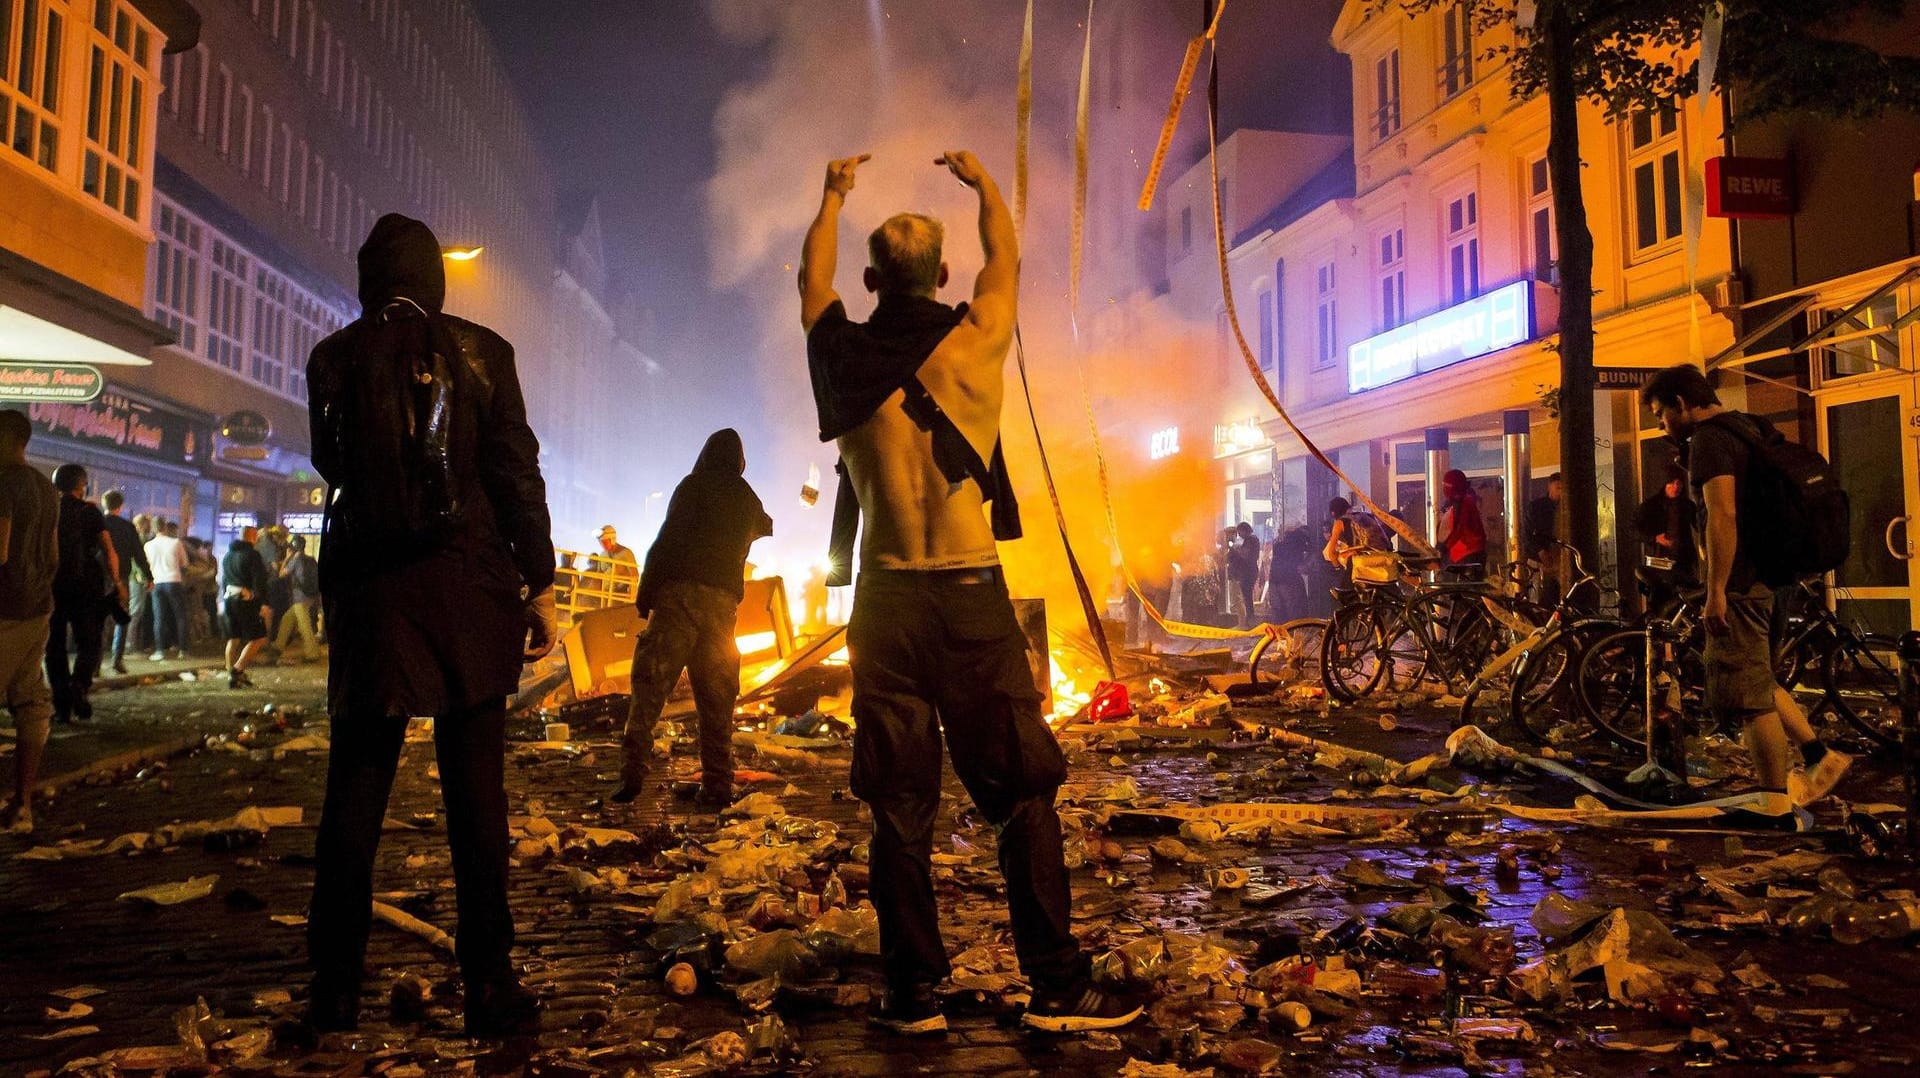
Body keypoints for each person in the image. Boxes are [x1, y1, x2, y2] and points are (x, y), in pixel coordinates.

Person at [801, 150, 1138, 1034]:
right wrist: (986, 187)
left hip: (886, 600)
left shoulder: (839, 352)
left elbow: (809, 281)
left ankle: (914, 994)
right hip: (971, 595)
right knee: (1023, 794)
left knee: (899, 806)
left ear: (871, 279)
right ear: (942, 274)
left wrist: (830, 197)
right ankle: (1056, 985)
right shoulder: (978, 338)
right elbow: (1008, 260)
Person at [305, 213, 557, 1038]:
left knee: (354, 800)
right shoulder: (483, 353)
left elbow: (334, 466)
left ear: (369, 277)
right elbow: (515, 469)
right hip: (467, 596)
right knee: (477, 804)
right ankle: (489, 984)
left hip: (374, 605)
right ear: (433, 281)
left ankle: (334, 991)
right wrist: (541, 580)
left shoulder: (332, 359)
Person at [1640, 364, 1850, 827]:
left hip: (1742, 585)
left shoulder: (1712, 441)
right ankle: (1818, 755)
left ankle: (1773, 804)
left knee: (1749, 699)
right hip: (1774, 579)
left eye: (1660, 414)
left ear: (1680, 403)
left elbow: (1723, 515)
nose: (1661, 426)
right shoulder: (1751, 426)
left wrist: (1716, 589)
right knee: (1759, 678)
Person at [613, 429, 772, 807]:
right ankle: (717, 785)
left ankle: (632, 771)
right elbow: (765, 525)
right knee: (717, 701)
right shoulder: (747, 497)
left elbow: (666, 541)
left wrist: (645, 595)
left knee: (650, 689)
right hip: (721, 608)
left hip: (678, 600)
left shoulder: (693, 486)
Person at [0, 412, 58, 834]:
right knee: (31, 702)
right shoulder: (44, 487)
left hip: (3, 608)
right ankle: (22, 804)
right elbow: (52, 556)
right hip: (37, 605)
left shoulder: (3, 483)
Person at [46, 465, 116, 724]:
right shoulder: (90, 512)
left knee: (54, 645)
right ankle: (79, 684)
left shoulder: (49, 509)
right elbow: (108, 550)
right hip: (86, 585)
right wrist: (117, 582)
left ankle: (61, 705)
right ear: (81, 485)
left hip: (52, 583)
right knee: (90, 641)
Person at [1632, 466, 1697, 614]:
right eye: (1672, 483)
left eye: (1679, 483)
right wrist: (1654, 538)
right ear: (1665, 483)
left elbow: (1700, 525)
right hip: (1658, 565)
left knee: (1684, 606)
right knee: (1659, 606)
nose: (1676, 487)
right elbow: (1633, 529)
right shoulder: (1651, 506)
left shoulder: (1687, 505)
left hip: (1683, 564)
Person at [100, 491, 151, 675]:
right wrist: (149, 577)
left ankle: (95, 665)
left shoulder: (97, 524)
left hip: (99, 578)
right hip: (121, 578)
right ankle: (117, 661)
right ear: (120, 506)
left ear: (104, 504)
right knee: (121, 620)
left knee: (100, 622)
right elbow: (138, 554)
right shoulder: (127, 527)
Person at [221, 526, 271, 690]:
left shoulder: (228, 556)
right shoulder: (252, 555)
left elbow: (224, 579)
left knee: (233, 637)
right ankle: (237, 669)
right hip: (246, 600)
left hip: (229, 599)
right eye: (255, 536)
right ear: (252, 537)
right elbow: (259, 580)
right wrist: (262, 602)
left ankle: (231, 675)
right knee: (258, 637)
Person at [272, 534, 322, 662]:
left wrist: (287, 558)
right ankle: (278, 645)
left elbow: (281, 574)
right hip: (311, 595)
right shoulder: (311, 559)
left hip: (300, 597)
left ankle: (312, 654)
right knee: (287, 619)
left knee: (305, 626)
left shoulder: (295, 560)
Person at [145, 520, 188, 661]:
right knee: (180, 616)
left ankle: (159, 651)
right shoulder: (175, 542)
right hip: (174, 581)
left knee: (159, 618)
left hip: (156, 583)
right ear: (165, 527)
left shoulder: (148, 545)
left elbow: (147, 564)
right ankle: (183, 650)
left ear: (153, 528)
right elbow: (184, 563)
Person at [1438, 469, 1487, 577]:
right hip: (1474, 553)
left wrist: (1442, 550)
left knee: (1452, 588)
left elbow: (1456, 530)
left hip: (1465, 555)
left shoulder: (1460, 505)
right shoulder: (1466, 501)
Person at [1523, 472, 1562, 600]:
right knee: (1536, 597)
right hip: (1538, 560)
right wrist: (1540, 551)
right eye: (1558, 488)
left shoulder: (1565, 508)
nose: (1560, 493)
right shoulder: (1536, 507)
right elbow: (1527, 534)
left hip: (1560, 560)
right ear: (1549, 487)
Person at [1321, 497, 1387, 572]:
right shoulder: (1367, 516)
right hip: (1381, 560)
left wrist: (1337, 567)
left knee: (1347, 582)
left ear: (1333, 513)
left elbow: (1331, 552)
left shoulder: (1340, 523)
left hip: (1358, 563)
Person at [1265, 527, 1310, 624]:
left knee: (1278, 613)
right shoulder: (1297, 546)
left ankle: (1279, 636)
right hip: (1290, 583)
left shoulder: (1279, 545)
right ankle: (1293, 636)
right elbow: (1301, 568)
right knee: (1295, 613)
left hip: (1274, 582)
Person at [590, 525, 640, 605]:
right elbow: (599, 575)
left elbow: (635, 576)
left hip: (620, 595)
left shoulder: (626, 553)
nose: (603, 545)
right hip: (604, 595)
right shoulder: (602, 555)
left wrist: (630, 597)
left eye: (605, 542)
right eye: (601, 543)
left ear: (612, 539)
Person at [129, 513, 155, 654]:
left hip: (136, 578)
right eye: (147, 524)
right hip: (138, 579)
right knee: (136, 611)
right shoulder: (139, 539)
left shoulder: (138, 538)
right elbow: (138, 560)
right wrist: (144, 577)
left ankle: (133, 644)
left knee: (137, 611)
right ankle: (131, 645)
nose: (149, 527)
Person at [1226, 522, 1260, 629]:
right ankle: (1247, 621)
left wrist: (1234, 548)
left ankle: (1247, 621)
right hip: (1247, 572)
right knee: (1245, 597)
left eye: (1239, 531)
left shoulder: (1251, 540)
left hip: (1248, 572)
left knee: (1245, 597)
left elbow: (1245, 555)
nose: (1239, 534)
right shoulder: (1248, 540)